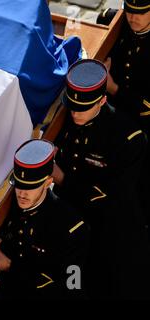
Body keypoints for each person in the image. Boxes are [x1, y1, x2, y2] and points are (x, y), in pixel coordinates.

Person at [53, 59, 150, 298]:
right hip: (73, 230)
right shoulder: (66, 121)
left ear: (102, 99)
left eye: (82, 108)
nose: (75, 112)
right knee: (71, 287)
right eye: (72, 106)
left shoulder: (127, 138)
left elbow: (109, 197)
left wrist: (62, 178)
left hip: (110, 235)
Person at [0, 139, 89, 299]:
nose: (22, 193)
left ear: (48, 182)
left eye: (30, 187)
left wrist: (10, 266)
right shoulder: (7, 209)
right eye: (19, 185)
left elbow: (70, 287)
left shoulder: (72, 227)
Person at [104, 0, 150, 228]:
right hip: (110, 116)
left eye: (140, 14)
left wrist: (114, 89)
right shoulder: (116, 22)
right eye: (130, 11)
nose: (133, 18)